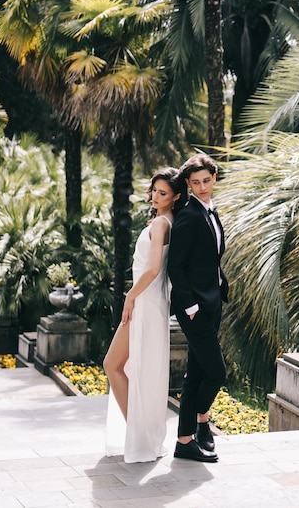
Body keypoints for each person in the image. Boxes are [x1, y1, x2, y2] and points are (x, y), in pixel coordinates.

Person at [103, 167, 187, 463]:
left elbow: (152, 269)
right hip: (151, 301)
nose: (155, 197)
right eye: (154, 191)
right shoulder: (166, 220)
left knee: (113, 364)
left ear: (176, 196)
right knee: (129, 367)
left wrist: (130, 296)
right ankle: (141, 436)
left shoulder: (162, 223)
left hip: (145, 300)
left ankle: (141, 437)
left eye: (163, 193)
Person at [167, 153, 228, 463]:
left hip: (212, 301)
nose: (202, 187)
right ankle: (200, 420)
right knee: (217, 372)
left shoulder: (209, 211)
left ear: (214, 179)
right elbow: (175, 267)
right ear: (188, 186)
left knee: (197, 374)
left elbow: (210, 258)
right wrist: (190, 307)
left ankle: (185, 440)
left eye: (206, 181)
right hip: (195, 308)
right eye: (195, 183)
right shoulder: (190, 216)